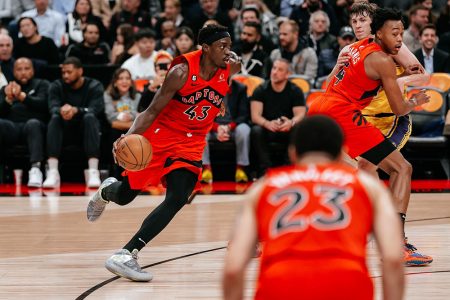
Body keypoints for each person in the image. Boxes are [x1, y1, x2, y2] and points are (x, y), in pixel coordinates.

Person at [86, 24, 241, 281]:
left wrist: (218, 100)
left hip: (192, 142)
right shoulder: (180, 72)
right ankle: (106, 191)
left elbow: (226, 79)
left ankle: (126, 254)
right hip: (162, 135)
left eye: (229, 46)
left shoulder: (231, 65)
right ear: (204, 49)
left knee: (179, 197)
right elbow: (151, 110)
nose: (228, 51)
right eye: (221, 46)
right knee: (125, 196)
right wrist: (127, 137)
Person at [223, 115, 405, 300]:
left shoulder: (264, 187)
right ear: (342, 152)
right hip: (346, 284)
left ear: (293, 153)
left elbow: (234, 267)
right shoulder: (367, 186)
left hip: (281, 285)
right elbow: (392, 258)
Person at [309, 7, 433, 266]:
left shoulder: (357, 46)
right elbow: (400, 107)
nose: (400, 39)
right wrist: (413, 101)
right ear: (378, 33)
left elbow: (419, 71)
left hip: (321, 109)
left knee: (335, 176)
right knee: (402, 168)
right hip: (343, 113)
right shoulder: (382, 60)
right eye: (394, 33)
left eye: (401, 33)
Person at [44, 57, 105, 188]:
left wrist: (76, 110)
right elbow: (52, 107)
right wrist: (62, 110)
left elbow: (96, 109)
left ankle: (93, 171)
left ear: (80, 71)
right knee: (54, 118)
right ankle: (53, 171)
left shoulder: (94, 85)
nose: (65, 75)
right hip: (64, 130)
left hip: (86, 130)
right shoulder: (56, 85)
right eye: (63, 72)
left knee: (90, 117)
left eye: (69, 72)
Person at [251, 58, 306, 176]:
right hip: (267, 127)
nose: (275, 72)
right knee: (256, 130)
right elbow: (255, 116)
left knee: (298, 128)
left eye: (280, 70)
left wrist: (291, 122)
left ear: (287, 74)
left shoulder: (295, 90)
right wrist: (267, 123)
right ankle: (265, 170)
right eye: (274, 68)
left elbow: (300, 115)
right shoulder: (260, 89)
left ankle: (289, 167)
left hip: (287, 128)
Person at [0, 58, 49, 187]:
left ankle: (35, 169)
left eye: (27, 69)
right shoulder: (5, 88)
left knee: (33, 123)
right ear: (13, 71)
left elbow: (44, 105)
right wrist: (8, 100)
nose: (23, 72)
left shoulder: (42, 84)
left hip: (34, 127)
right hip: (12, 128)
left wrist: (23, 97)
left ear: (33, 70)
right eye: (19, 69)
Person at [201, 79, 251, 183]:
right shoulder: (207, 89)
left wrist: (228, 127)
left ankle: (241, 168)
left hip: (234, 127)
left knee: (244, 130)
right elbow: (203, 116)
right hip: (213, 128)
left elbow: (243, 115)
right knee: (201, 130)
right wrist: (217, 128)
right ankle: (206, 168)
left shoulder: (241, 89)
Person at [104, 68, 140, 178]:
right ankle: (116, 173)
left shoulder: (137, 95)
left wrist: (131, 116)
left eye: (127, 78)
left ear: (131, 81)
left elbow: (139, 114)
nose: (124, 81)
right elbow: (110, 116)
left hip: (132, 129)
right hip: (115, 129)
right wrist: (122, 116)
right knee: (113, 132)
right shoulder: (108, 94)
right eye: (121, 78)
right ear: (115, 82)